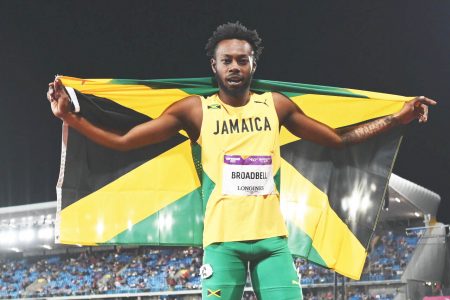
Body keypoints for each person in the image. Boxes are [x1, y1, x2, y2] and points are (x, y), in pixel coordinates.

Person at [47, 22, 435, 300]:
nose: (235, 66)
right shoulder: (195, 111)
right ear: (214, 67)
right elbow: (124, 142)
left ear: (253, 66)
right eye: (227, 60)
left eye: (242, 60)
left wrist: (395, 119)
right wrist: (70, 117)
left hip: (273, 242)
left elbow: (336, 140)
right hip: (222, 243)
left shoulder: (276, 106)